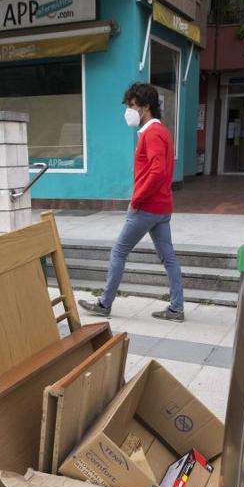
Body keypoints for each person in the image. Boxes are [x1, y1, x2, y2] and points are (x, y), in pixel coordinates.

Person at [79, 83, 185, 321]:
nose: (128, 111)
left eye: (132, 106)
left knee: (118, 251)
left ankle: (104, 304)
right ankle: (177, 307)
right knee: (168, 257)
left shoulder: (152, 133)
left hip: (147, 207)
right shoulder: (163, 132)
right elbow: (162, 170)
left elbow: (157, 171)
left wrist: (136, 199)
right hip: (161, 207)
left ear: (146, 107)